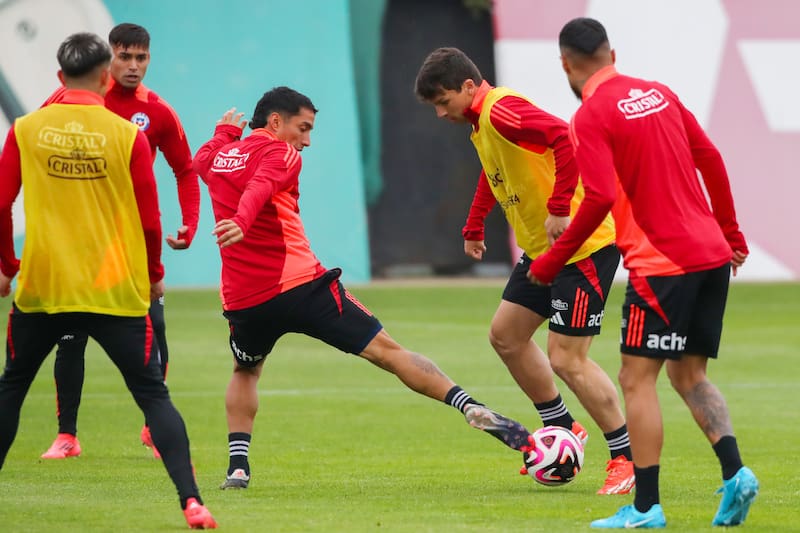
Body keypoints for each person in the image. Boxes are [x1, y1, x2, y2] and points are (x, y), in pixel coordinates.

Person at [193, 86, 533, 490]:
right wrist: (245, 220)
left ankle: (237, 468)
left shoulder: (219, 157)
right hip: (301, 286)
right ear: (275, 122)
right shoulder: (279, 153)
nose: (307, 141)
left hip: (245, 299)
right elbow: (261, 187)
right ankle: (469, 405)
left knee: (245, 370)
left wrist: (222, 134)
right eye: (303, 128)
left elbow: (201, 162)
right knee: (388, 352)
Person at [528, 17, 758, 528]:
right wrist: (732, 235)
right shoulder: (658, 92)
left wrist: (552, 258)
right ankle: (735, 473)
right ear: (613, 52)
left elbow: (602, 198)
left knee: (636, 378)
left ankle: (646, 508)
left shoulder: (590, 115)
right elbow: (711, 159)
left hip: (662, 264)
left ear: (565, 63)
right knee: (690, 375)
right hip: (710, 254)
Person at [0, 32, 215, 529]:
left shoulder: (26, 129)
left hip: (44, 287)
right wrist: (154, 275)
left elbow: (1, 203)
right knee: (154, 397)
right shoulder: (127, 136)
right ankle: (191, 501)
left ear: (59, 78)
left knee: (11, 387)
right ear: (105, 75)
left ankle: (67, 434)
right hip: (115, 290)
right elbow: (149, 220)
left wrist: (7, 267)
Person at [414, 47, 634, 494]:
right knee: (507, 336)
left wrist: (559, 208)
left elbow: (564, 137)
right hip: (543, 252)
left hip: (581, 249)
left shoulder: (502, 111)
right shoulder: (482, 123)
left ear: (469, 87)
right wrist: (475, 223)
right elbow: (494, 172)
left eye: (443, 101)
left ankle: (625, 459)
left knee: (567, 358)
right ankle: (564, 426)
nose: (441, 113)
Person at [40, 22, 199, 460]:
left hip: (130, 244)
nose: (133, 66)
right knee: (71, 336)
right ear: (108, 56)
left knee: (154, 329)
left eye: (141, 58)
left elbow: (185, 170)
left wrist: (190, 223)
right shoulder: (69, 100)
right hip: (78, 243)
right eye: (124, 56)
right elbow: (36, 146)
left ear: (149, 59)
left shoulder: (158, 111)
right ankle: (66, 436)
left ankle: (153, 427)